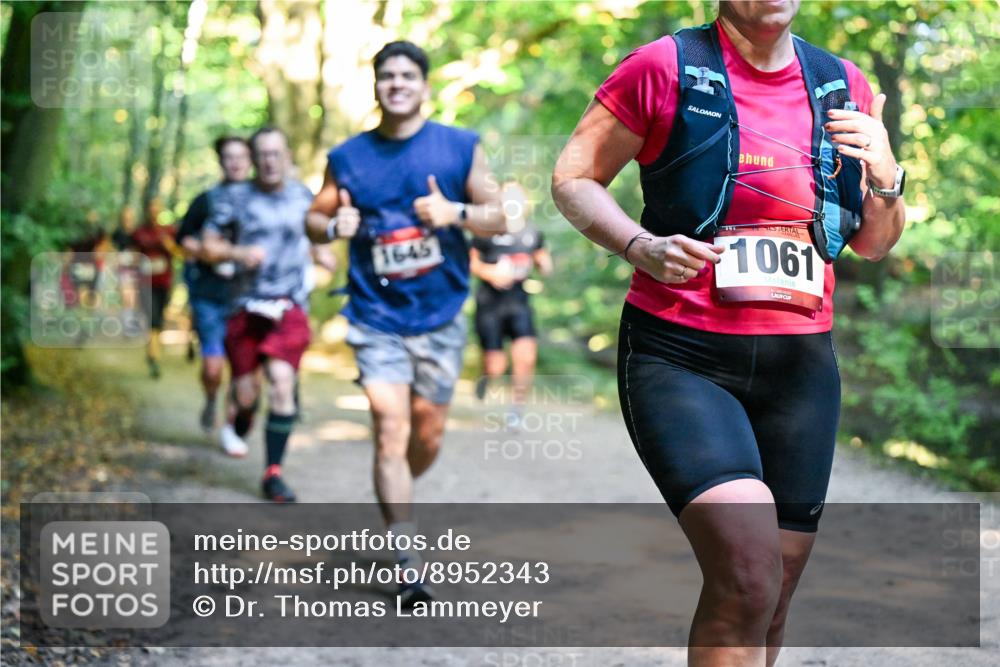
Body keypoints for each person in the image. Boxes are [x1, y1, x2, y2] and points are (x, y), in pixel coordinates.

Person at [551, 1, 905, 665]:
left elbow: (874, 243)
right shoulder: (664, 67)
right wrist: (639, 244)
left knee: (776, 589)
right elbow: (573, 177)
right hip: (681, 356)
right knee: (747, 577)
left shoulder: (841, 83)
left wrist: (887, 176)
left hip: (801, 369)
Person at [305, 40, 505, 605]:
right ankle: (406, 556)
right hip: (375, 315)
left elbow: (500, 217)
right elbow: (313, 218)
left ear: (424, 86)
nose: (396, 83)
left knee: (426, 436)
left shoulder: (459, 146)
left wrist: (455, 213)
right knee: (389, 428)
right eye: (387, 75)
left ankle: (399, 486)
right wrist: (333, 227)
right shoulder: (348, 156)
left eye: (407, 75)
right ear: (376, 86)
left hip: (440, 315)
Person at [202, 126, 320, 502]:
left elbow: (318, 237)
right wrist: (238, 253)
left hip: (289, 305)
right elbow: (208, 245)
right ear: (253, 159)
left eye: (276, 153)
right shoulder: (234, 198)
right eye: (263, 154)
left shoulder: (304, 197)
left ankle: (273, 473)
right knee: (246, 393)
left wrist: (323, 254)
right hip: (244, 305)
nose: (270, 161)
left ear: (288, 157)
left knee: (282, 382)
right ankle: (242, 416)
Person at [176, 136, 253, 443]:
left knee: (244, 369)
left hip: (247, 295)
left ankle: (231, 427)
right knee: (213, 368)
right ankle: (211, 398)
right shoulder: (205, 200)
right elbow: (183, 239)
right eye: (229, 157)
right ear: (220, 162)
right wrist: (207, 251)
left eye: (241, 156)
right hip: (208, 294)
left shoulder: (261, 199)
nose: (235, 163)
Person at [470, 182, 553, 413]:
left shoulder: (532, 232)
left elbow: (542, 260)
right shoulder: (486, 230)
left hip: (519, 303)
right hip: (489, 305)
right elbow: (470, 263)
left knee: (526, 356)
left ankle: (516, 409)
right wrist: (490, 273)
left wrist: (544, 266)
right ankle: (486, 376)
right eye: (507, 198)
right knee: (496, 365)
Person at [130, 197, 180, 379]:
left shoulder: (169, 231)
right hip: (145, 283)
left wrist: (169, 245)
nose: (154, 210)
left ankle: (152, 350)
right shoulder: (139, 232)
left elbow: (179, 253)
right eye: (151, 207)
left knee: (158, 319)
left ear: (160, 210)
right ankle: (154, 358)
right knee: (152, 318)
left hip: (163, 283)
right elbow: (133, 255)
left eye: (156, 207)